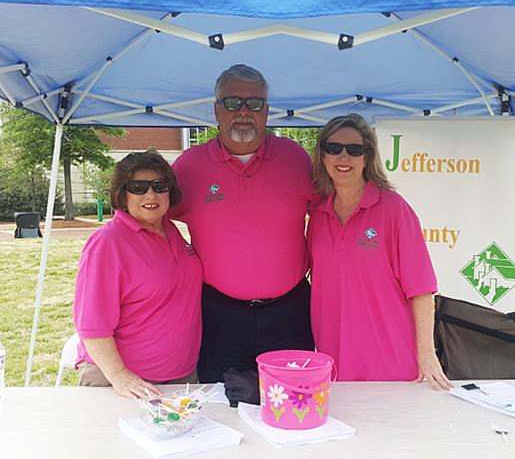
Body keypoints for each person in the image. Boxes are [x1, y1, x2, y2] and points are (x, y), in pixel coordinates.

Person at [171, 64, 314, 383]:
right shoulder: (189, 167)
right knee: (221, 408)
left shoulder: (296, 158)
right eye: (233, 103)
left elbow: (328, 215)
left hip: (290, 313)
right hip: (219, 316)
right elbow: (152, 222)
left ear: (267, 110)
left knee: (294, 402)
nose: (244, 112)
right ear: (217, 110)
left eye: (255, 103)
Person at [308, 114, 453, 390]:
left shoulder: (394, 210)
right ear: (323, 156)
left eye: (354, 149)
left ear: (367, 157)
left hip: (389, 362)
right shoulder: (318, 216)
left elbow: (420, 289)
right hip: (334, 361)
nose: (343, 156)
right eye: (333, 148)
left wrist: (426, 353)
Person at [73, 151, 203, 399]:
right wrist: (120, 376)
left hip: (181, 376)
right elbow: (92, 326)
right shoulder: (107, 244)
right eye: (138, 187)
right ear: (122, 194)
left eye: (159, 186)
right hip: (124, 384)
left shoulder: (171, 230)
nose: (151, 195)